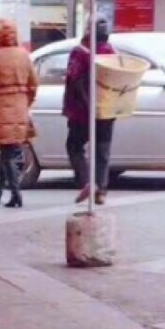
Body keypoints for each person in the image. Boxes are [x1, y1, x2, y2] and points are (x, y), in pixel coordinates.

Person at [64, 16, 117, 206]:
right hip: (107, 109)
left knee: (74, 146)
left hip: (82, 112)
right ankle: (101, 190)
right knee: (102, 150)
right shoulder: (111, 52)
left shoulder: (80, 53)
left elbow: (74, 78)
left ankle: (87, 182)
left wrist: (87, 103)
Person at [0, 18, 38, 209]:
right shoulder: (24, 55)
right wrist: (25, 101)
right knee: (9, 150)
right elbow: (34, 83)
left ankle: (15, 193)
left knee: (5, 151)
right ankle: (1, 189)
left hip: (0, 108)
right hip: (20, 107)